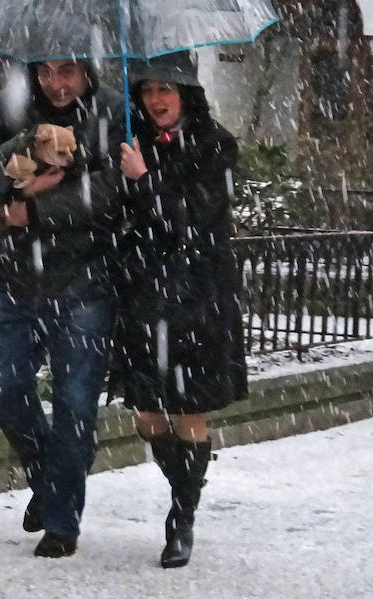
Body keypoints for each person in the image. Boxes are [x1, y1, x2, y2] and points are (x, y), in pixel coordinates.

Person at [0, 59, 126, 558]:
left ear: (87, 69)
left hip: (84, 285)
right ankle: (48, 479)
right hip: (12, 281)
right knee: (5, 393)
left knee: (74, 407)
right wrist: (10, 184)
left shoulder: (111, 110)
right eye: (46, 71)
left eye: (68, 70)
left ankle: (61, 522)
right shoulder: (14, 107)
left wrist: (34, 211)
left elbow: (114, 194)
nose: (57, 83)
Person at [113, 52, 248, 568]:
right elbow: (120, 212)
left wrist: (144, 179)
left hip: (197, 292)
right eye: (148, 90)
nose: (156, 100)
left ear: (187, 93)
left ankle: (181, 517)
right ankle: (186, 484)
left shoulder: (217, 146)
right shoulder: (131, 141)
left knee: (190, 410)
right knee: (147, 416)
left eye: (166, 90)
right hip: (143, 293)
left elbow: (192, 217)